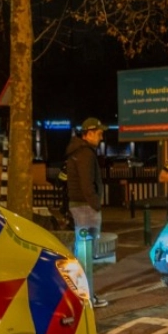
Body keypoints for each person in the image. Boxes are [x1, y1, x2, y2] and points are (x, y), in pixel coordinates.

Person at [63, 117, 109, 308]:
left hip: (79, 205)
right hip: (85, 207)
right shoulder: (85, 154)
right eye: (98, 133)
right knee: (87, 253)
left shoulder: (77, 151)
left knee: (81, 251)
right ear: (89, 133)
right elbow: (86, 183)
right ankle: (86, 296)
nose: (101, 137)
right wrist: (95, 204)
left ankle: (79, 293)